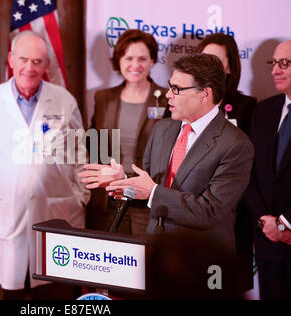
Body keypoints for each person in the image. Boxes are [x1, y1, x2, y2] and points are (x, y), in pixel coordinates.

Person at [80, 53, 254, 256]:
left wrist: (153, 192)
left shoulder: (235, 145)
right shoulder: (162, 129)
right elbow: (148, 188)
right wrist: (123, 181)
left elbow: (210, 211)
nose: (168, 95)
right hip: (156, 251)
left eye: (176, 89)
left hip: (202, 259)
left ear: (204, 94)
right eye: (170, 86)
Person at [0, 31, 90, 300]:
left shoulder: (64, 100)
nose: (29, 68)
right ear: (10, 59)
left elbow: (79, 154)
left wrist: (80, 198)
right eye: (23, 59)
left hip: (57, 211)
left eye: (37, 61)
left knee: (55, 293)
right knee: (6, 288)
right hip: (6, 215)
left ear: (46, 65)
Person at [87, 29, 169, 235]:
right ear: (118, 61)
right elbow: (96, 148)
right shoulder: (103, 98)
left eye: (142, 58)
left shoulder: (168, 100)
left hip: (144, 204)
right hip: (105, 202)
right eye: (128, 58)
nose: (135, 65)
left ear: (152, 61)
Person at [196, 32, 257, 292]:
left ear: (230, 66)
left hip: (233, 215)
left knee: (224, 287)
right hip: (191, 211)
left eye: (218, 61)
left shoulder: (248, 106)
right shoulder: (186, 102)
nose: (211, 68)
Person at [244, 40, 291, 300]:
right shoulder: (262, 110)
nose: (275, 70)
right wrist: (265, 220)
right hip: (267, 241)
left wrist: (284, 224)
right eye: (273, 63)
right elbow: (248, 173)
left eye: (284, 63)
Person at [196, 33, 257, 134]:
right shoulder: (180, 99)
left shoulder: (247, 106)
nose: (207, 66)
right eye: (204, 58)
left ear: (230, 67)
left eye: (216, 60)